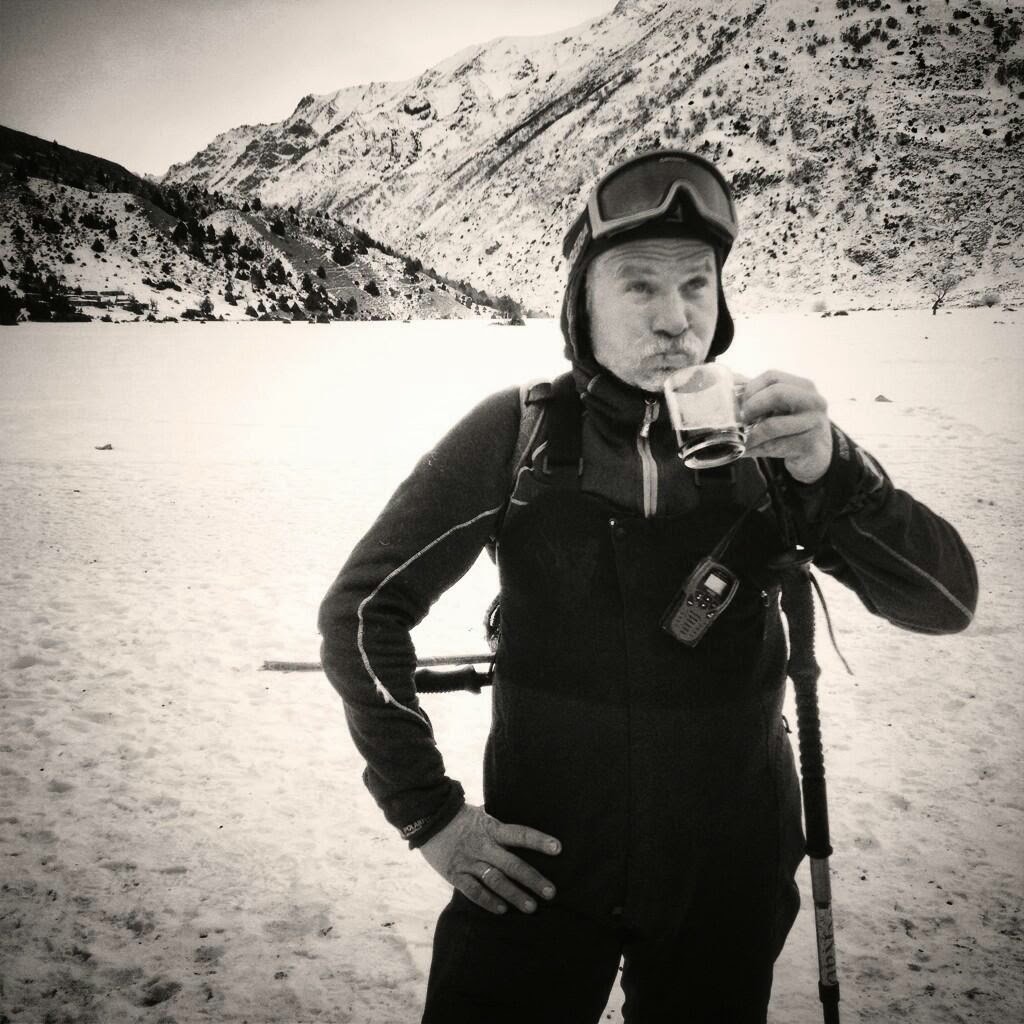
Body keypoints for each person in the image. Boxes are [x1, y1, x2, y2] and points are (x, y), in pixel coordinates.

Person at [318, 149, 977, 1023]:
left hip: (726, 882)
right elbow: (362, 613)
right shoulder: (518, 436)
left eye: (697, 285)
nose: (675, 318)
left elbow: (946, 602)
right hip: (537, 874)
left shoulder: (775, 443)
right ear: (581, 304)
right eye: (638, 286)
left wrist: (836, 470)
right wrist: (430, 816)